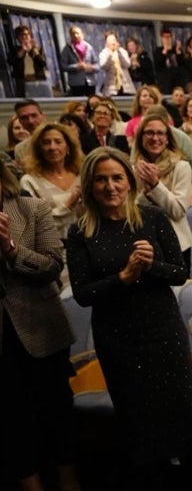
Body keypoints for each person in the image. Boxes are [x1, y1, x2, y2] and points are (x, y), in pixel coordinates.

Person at [66, 148, 192, 488]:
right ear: (90, 185)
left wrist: (150, 265)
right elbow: (82, 293)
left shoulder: (152, 217)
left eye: (117, 178)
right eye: (101, 179)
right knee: (137, 419)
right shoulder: (81, 231)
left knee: (181, 411)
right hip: (117, 336)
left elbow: (180, 272)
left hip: (163, 330)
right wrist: (122, 278)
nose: (110, 186)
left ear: (129, 181)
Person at [0, 162, 81, 491]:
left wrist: (10, 249)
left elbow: (53, 265)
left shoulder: (31, 208)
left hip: (40, 328)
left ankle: (67, 476)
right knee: (9, 414)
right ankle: (30, 483)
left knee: (56, 408)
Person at [131, 114, 192, 269]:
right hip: (142, 245)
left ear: (167, 139)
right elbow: (130, 209)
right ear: (141, 138)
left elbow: (178, 210)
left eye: (160, 133)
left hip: (176, 244)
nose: (155, 138)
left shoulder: (181, 167)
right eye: (149, 133)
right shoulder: (132, 169)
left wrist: (155, 186)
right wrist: (146, 194)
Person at [19, 123, 84, 240]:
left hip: (84, 244)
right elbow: (35, 225)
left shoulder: (81, 176)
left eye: (58, 142)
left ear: (68, 146)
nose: (52, 147)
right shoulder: (29, 181)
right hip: (50, 247)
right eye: (46, 142)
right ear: (39, 149)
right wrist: (68, 204)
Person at [9, 26, 49, 98]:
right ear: (17, 37)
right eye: (21, 35)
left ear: (30, 36)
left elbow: (43, 63)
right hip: (22, 80)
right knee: (23, 101)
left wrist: (35, 51)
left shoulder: (38, 49)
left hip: (38, 79)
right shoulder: (14, 50)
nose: (25, 37)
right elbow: (10, 62)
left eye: (27, 34)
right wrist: (22, 50)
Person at [59, 26, 98, 96]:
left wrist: (92, 67)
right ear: (71, 36)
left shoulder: (89, 47)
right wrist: (76, 66)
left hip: (90, 82)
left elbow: (97, 66)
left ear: (82, 34)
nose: (76, 35)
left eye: (77, 33)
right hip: (76, 84)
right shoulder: (67, 49)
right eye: (73, 34)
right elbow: (63, 66)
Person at [98, 32, 136, 97]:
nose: (112, 43)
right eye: (110, 41)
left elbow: (127, 64)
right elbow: (103, 66)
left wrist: (118, 52)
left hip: (126, 86)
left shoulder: (122, 51)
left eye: (114, 40)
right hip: (111, 88)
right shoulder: (104, 53)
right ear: (106, 43)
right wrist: (110, 54)